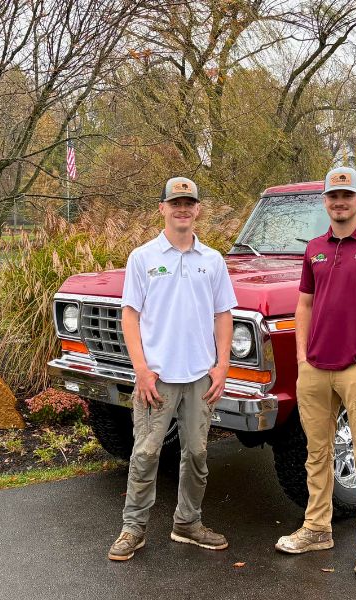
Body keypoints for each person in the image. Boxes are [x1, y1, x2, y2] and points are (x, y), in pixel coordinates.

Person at [274, 166, 356, 576]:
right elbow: (305, 306)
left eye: (347, 195)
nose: (339, 201)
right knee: (317, 454)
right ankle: (316, 529)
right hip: (314, 368)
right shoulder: (314, 247)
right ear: (325, 201)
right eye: (333, 196)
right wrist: (300, 357)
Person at [108, 176, 237, 561]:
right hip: (157, 378)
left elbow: (223, 314)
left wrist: (222, 365)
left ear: (197, 209)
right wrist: (142, 369)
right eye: (175, 202)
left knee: (196, 453)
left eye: (189, 203)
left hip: (200, 376)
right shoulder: (143, 258)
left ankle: (188, 523)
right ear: (162, 208)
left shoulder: (212, 261)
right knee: (146, 453)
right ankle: (133, 529)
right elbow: (130, 316)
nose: (182, 208)